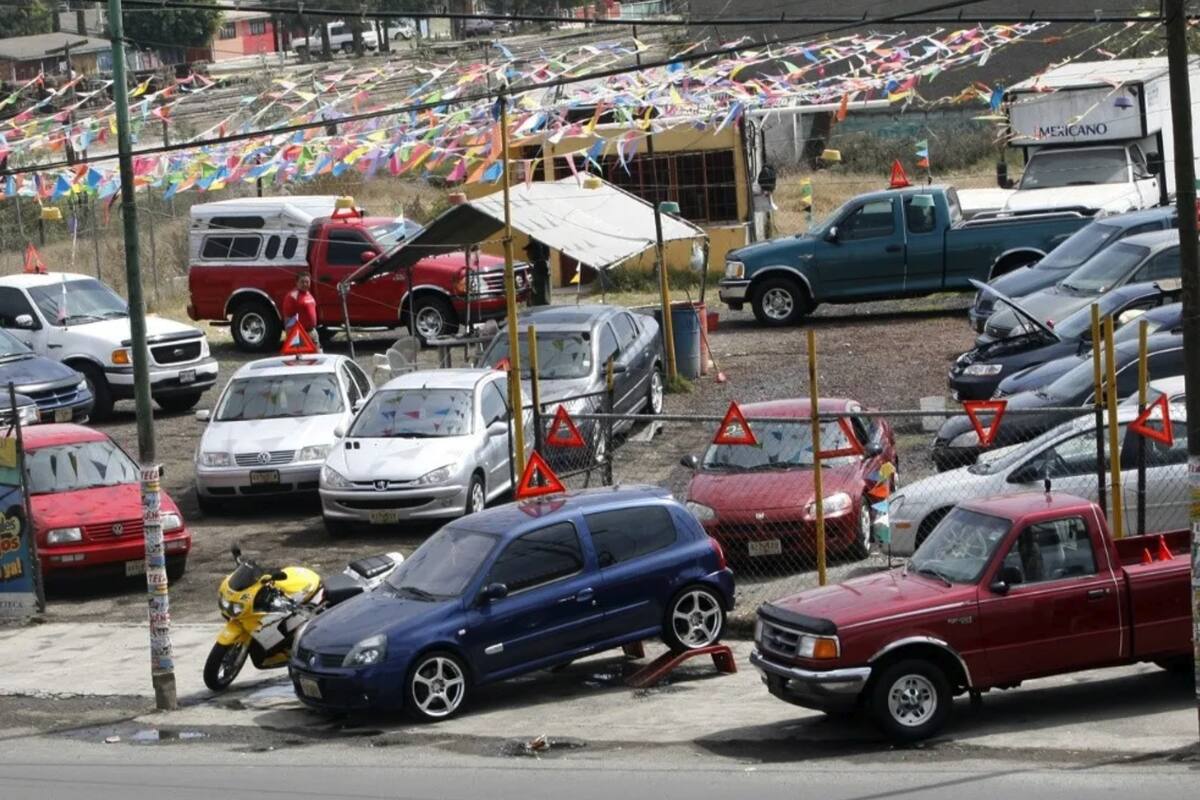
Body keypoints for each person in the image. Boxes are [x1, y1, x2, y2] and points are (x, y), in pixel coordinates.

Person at [282, 273, 320, 351]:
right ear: (297, 283)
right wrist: (291, 336)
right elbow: (288, 318)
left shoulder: (308, 294)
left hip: (312, 331)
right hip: (300, 334)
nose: (305, 284)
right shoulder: (292, 296)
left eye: (307, 282)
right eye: (302, 282)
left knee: (317, 356)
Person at [524, 239, 552, 306]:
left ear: (534, 252)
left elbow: (535, 286)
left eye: (529, 251)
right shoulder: (540, 264)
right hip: (542, 302)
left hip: (540, 303)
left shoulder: (539, 265)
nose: (527, 254)